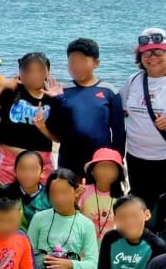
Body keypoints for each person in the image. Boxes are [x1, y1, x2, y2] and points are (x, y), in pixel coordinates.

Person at [119, 27, 166, 208]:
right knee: (140, 205)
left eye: (158, 52)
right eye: (146, 53)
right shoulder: (133, 80)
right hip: (136, 157)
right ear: (140, 57)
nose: (152, 57)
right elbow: (120, 110)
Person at [47, 38, 125, 180]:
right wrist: (56, 101)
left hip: (100, 161)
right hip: (69, 160)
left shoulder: (109, 91)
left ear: (96, 63)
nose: (76, 66)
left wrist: (118, 159)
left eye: (82, 61)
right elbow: (55, 130)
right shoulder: (62, 92)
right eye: (72, 61)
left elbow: (118, 131)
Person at [0, 52, 57, 184]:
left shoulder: (53, 96)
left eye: (39, 70)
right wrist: (1, 84)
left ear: (48, 72)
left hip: (41, 162)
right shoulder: (12, 92)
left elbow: (58, 137)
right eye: (28, 70)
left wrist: (60, 100)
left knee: (41, 196)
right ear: (20, 72)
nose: (34, 75)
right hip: (9, 159)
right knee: (6, 196)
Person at [28, 169, 97, 269]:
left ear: (76, 192)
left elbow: (92, 264)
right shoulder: (39, 218)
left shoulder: (86, 224)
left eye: (64, 192)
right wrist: (45, 261)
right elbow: (27, 253)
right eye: (54, 193)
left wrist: (70, 264)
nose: (59, 198)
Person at [80, 147, 125, 238]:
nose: (106, 171)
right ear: (92, 171)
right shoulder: (83, 192)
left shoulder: (121, 199)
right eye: (102, 166)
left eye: (111, 168)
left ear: (118, 174)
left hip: (109, 245)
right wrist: (74, 199)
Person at [0, 149, 50, 229]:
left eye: (33, 169)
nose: (28, 173)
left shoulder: (49, 196)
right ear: (15, 171)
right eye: (23, 168)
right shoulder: (4, 192)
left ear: (42, 172)